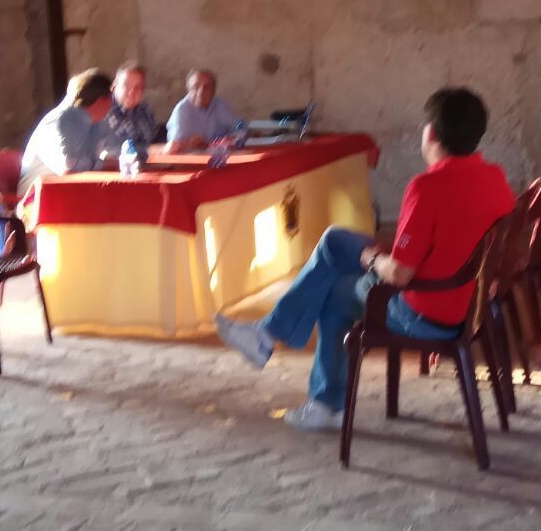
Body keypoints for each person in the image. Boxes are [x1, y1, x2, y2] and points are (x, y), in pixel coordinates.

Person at [215, 88, 515, 431]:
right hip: (469, 305)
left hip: (427, 310)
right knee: (335, 241)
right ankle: (268, 337)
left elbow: (400, 274)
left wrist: (371, 259)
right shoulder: (495, 177)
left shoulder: (427, 187)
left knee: (331, 293)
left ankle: (322, 398)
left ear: (430, 132)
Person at [19, 69, 114, 192]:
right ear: (100, 101)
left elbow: (112, 149)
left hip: (71, 191)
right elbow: (68, 168)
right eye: (111, 97)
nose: (113, 103)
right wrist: (107, 164)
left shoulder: (94, 121)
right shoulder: (59, 121)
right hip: (38, 200)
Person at [166, 69, 241, 152]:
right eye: (196, 87)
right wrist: (188, 144)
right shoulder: (181, 111)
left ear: (213, 91)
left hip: (218, 157)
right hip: (192, 160)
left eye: (207, 87)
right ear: (188, 90)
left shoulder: (220, 105)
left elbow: (239, 125)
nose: (201, 92)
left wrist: (233, 137)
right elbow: (174, 147)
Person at [100, 62, 157, 156]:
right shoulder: (103, 112)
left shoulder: (145, 110)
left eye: (138, 87)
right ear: (114, 87)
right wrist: (148, 150)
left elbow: (154, 139)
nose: (132, 92)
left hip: (148, 166)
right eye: (126, 85)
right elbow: (109, 152)